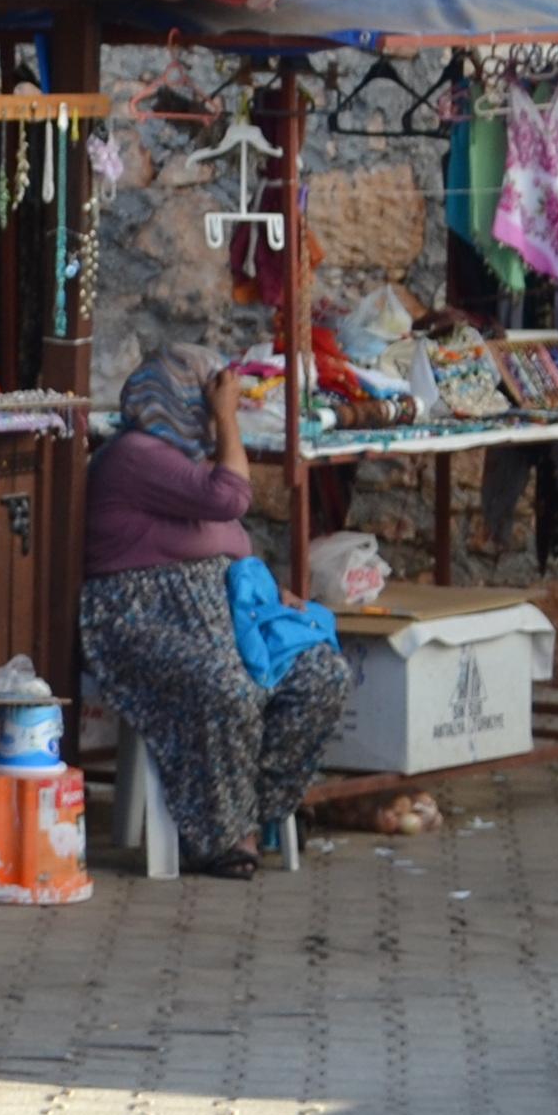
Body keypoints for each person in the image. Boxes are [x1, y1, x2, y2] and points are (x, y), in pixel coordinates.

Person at [81, 351, 353, 878]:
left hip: (224, 618)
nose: (214, 410)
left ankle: (254, 808)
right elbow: (231, 500)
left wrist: (274, 592)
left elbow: (231, 541)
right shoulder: (136, 455)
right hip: (141, 620)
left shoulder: (190, 463)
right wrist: (228, 418)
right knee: (225, 689)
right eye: (208, 397)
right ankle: (226, 836)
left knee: (321, 675)